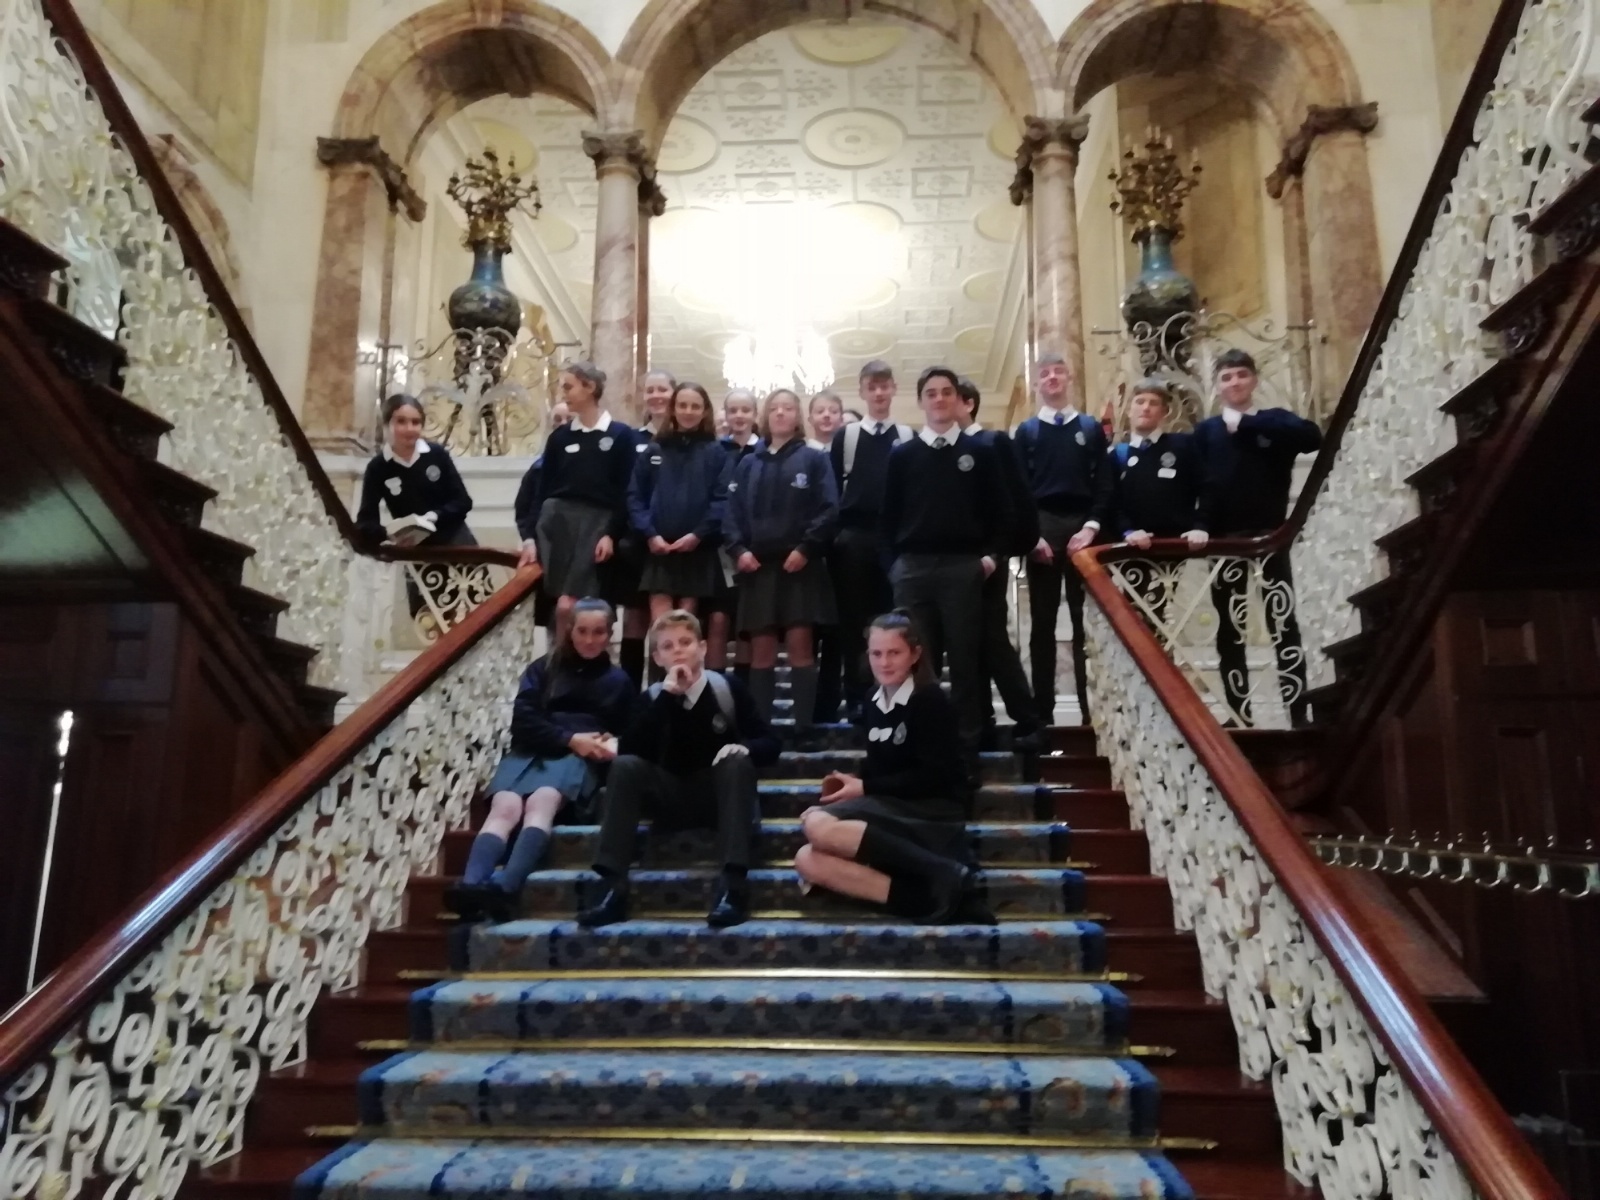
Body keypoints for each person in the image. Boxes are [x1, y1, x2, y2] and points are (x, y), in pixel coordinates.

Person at [577, 609, 780, 929]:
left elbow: (771, 743)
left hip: (719, 799)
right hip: (668, 796)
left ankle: (733, 887)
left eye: (685, 642)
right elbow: (629, 748)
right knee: (626, 766)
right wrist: (667, 697)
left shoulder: (728, 688)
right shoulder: (652, 697)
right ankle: (612, 887)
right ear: (658, 658)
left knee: (737, 761)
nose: (678, 651)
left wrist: (746, 748)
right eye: (668, 646)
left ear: (702, 648)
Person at [793, 612, 994, 925]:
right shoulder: (873, 700)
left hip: (931, 813)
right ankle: (928, 900)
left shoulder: (929, 700)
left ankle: (941, 870)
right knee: (806, 859)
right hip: (894, 806)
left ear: (915, 654)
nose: (884, 662)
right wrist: (855, 783)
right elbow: (883, 769)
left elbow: (935, 777)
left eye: (894, 653)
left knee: (818, 826)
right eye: (876, 653)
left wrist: (866, 788)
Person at [446, 597, 633, 922]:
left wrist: (602, 745)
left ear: (609, 634)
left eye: (598, 632)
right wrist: (568, 738)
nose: (590, 640)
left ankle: (506, 887)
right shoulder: (544, 668)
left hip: (577, 761)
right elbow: (523, 720)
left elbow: (627, 733)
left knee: (542, 801)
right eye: (583, 631)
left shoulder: (619, 681)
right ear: (570, 630)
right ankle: (471, 887)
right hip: (531, 750)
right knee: (504, 806)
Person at [880, 366, 1014, 762]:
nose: (939, 399)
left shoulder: (981, 452)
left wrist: (990, 558)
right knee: (913, 664)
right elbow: (887, 518)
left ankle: (966, 752)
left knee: (965, 662)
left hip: (962, 569)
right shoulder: (902, 455)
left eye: (946, 392)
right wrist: (893, 566)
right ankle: (915, 750)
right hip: (912, 570)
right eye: (931, 393)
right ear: (921, 402)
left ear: (958, 400)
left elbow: (1002, 514)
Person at [1192, 350, 1322, 726]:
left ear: (1254, 380)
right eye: (1226, 377)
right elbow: (1202, 484)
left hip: (1269, 537)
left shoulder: (1274, 420)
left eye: (1241, 375)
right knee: (1230, 629)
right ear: (1217, 386)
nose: (1234, 382)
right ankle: (1239, 713)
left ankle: (1297, 711)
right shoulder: (1206, 432)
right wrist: (1200, 524)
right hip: (1224, 541)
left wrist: (1248, 425)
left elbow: (1312, 438)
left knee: (1282, 623)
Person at [723, 388, 839, 726]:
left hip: (800, 566)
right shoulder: (749, 463)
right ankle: (762, 728)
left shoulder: (814, 459)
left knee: (801, 646)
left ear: (797, 415)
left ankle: (804, 728)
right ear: (766, 415)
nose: (780, 413)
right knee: (761, 652)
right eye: (774, 407)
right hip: (757, 567)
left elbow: (829, 509)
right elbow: (731, 515)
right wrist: (739, 550)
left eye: (788, 407)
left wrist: (806, 548)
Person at [1013, 352, 1108, 726]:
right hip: (1042, 530)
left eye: (1058, 371)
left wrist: (1092, 527)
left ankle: (1090, 713)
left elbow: (1104, 483)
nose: (1052, 377)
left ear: (1069, 378)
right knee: (1042, 625)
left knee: (1088, 624)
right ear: (1037, 383)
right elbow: (1018, 490)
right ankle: (1043, 717)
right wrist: (1031, 535)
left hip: (1084, 529)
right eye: (1045, 373)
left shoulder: (1089, 428)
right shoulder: (1027, 432)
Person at [955, 378, 1042, 749]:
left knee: (992, 639)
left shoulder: (994, 442)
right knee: (965, 641)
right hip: (956, 560)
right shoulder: (945, 448)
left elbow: (1016, 499)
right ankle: (982, 720)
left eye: (951, 397)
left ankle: (1027, 718)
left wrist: (1004, 549)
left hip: (988, 557)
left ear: (969, 404)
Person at [828, 360, 913, 718]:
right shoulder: (846, 437)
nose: (878, 393)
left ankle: (896, 696)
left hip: (894, 541)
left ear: (893, 389)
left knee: (895, 622)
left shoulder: (907, 437)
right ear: (862, 392)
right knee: (853, 624)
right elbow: (832, 490)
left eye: (884, 386)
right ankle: (857, 699)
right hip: (853, 540)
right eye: (872, 387)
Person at [530, 362, 638, 640]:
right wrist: (530, 536)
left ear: (590, 388)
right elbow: (542, 490)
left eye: (569, 387)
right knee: (558, 603)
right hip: (557, 524)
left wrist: (611, 534)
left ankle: (589, 657)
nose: (563, 393)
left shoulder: (621, 435)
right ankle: (559, 659)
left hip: (595, 525)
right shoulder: (559, 437)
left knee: (582, 604)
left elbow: (626, 490)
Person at [1092, 379, 1211, 626]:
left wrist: (1200, 525)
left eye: (1153, 403)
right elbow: (1111, 501)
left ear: (1164, 412)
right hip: (1130, 547)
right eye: (1140, 402)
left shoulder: (1184, 447)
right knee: (1133, 616)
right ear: (1130, 409)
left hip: (1173, 546)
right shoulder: (1117, 455)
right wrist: (1127, 531)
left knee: (1164, 613)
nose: (1146, 408)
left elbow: (1206, 488)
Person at [628, 381, 732, 619]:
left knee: (686, 622)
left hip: (696, 549)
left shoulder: (716, 452)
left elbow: (721, 499)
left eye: (695, 406)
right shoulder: (655, 449)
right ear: (673, 409)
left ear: (705, 411)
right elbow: (635, 496)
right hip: (659, 548)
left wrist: (698, 535)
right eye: (682, 405)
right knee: (661, 622)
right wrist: (650, 534)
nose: (688, 411)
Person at [613, 368, 678, 686]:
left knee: (667, 624)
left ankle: (660, 691)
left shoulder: (684, 440)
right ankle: (628, 696)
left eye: (662, 389)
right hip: (638, 543)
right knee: (635, 620)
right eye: (650, 390)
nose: (656, 395)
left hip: (675, 544)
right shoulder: (630, 439)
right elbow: (625, 490)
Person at [355, 394, 475, 550]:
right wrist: (388, 533)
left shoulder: (437, 455)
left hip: (457, 543)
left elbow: (463, 501)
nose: (409, 429)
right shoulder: (377, 467)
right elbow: (366, 521)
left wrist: (433, 517)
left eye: (416, 422)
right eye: (401, 421)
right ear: (386, 424)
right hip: (415, 550)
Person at [708, 389, 762, 675]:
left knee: (747, 623)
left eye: (745, 410)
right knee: (717, 619)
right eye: (733, 410)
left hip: (755, 550)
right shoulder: (716, 451)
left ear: (755, 414)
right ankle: (715, 687)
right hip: (718, 549)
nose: (739, 416)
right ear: (725, 415)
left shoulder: (765, 452)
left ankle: (742, 689)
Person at [806, 389, 846, 722]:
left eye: (833, 410)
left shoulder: (849, 454)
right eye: (820, 411)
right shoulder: (802, 454)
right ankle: (809, 703)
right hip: (808, 550)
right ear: (810, 418)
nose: (827, 416)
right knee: (809, 631)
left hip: (844, 552)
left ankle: (830, 702)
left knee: (838, 630)